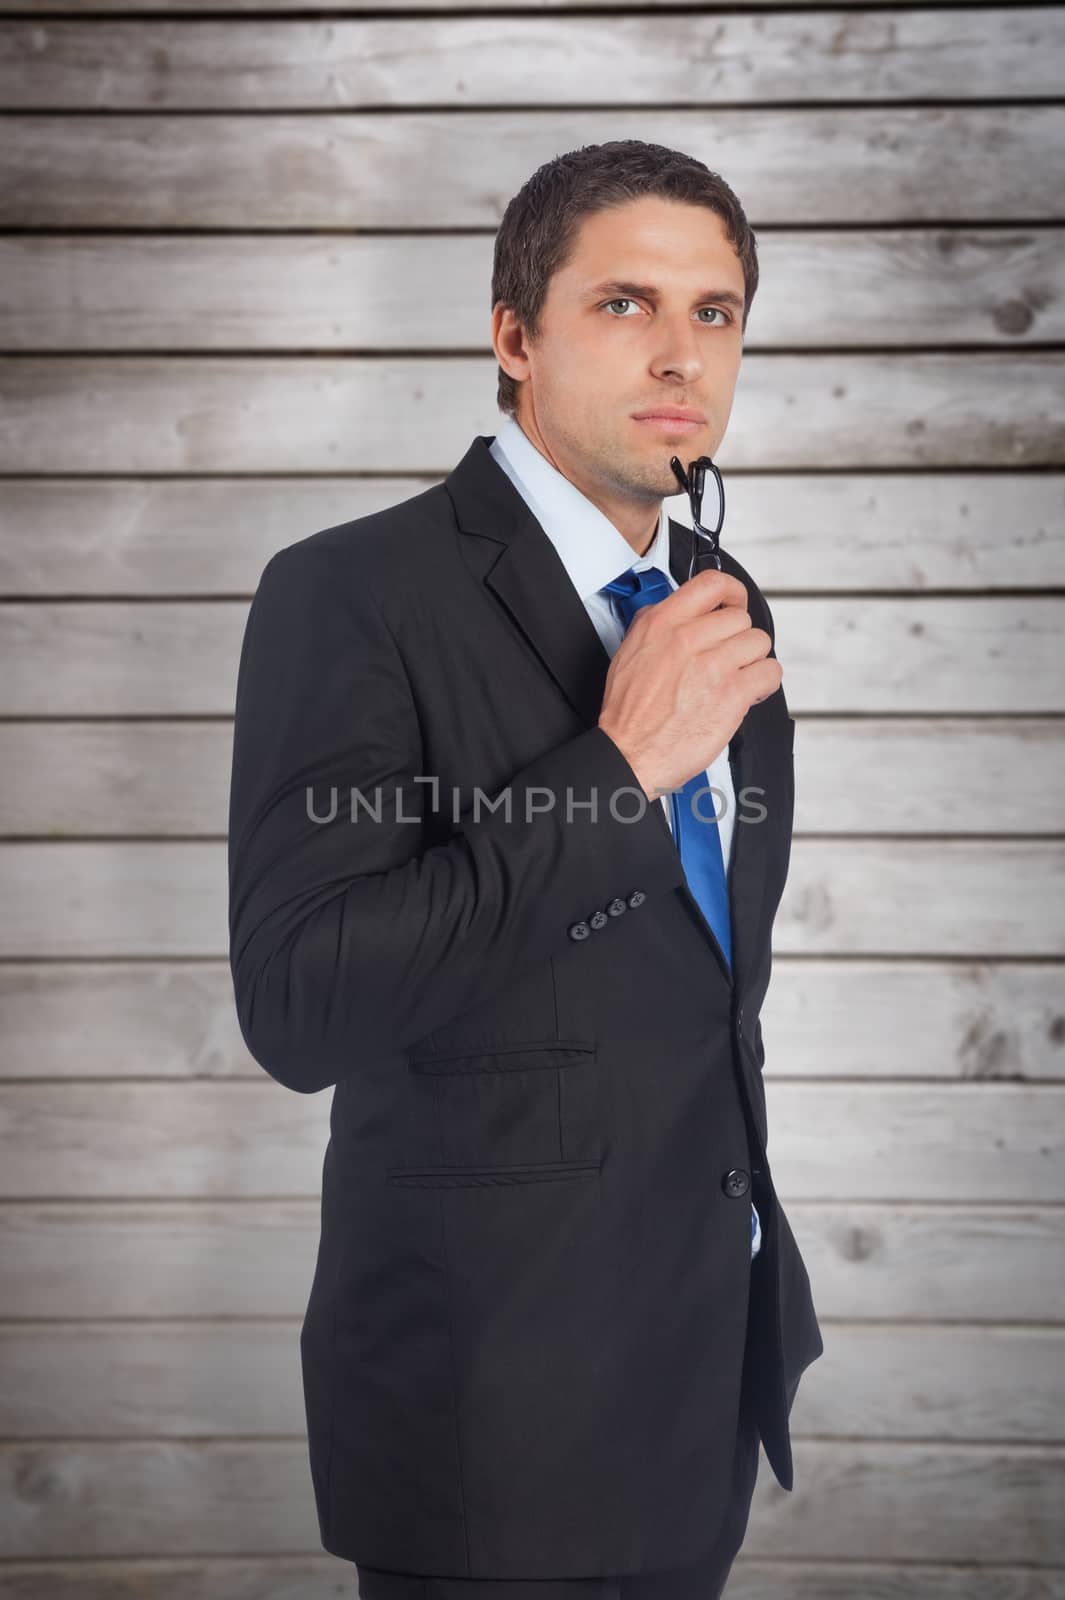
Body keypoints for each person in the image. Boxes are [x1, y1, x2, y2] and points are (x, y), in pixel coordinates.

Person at [227, 138, 824, 1599]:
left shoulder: (719, 606)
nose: (679, 353)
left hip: (699, 1384)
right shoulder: (351, 592)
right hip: (483, 1415)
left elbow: (688, 993)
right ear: (514, 335)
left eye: (715, 311)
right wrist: (617, 775)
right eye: (623, 304)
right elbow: (302, 1004)